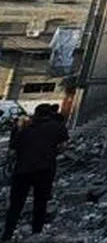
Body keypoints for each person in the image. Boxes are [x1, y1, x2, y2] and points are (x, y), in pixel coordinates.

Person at [2, 103, 69, 240]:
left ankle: (7, 234)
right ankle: (36, 232)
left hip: (22, 170)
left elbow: (12, 151)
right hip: (45, 169)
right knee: (41, 201)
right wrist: (51, 151)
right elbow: (63, 146)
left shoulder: (25, 129)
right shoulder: (58, 127)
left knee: (16, 204)